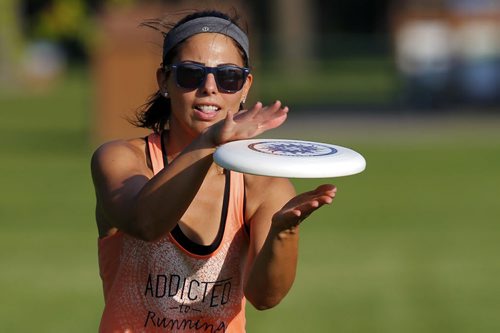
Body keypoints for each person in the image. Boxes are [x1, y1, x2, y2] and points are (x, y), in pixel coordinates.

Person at [91, 9, 337, 332]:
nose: (210, 87)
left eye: (228, 77)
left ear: (246, 85)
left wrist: (284, 231)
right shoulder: (120, 159)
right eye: (191, 74)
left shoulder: (262, 184)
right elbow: (145, 223)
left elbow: (265, 296)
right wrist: (209, 142)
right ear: (164, 80)